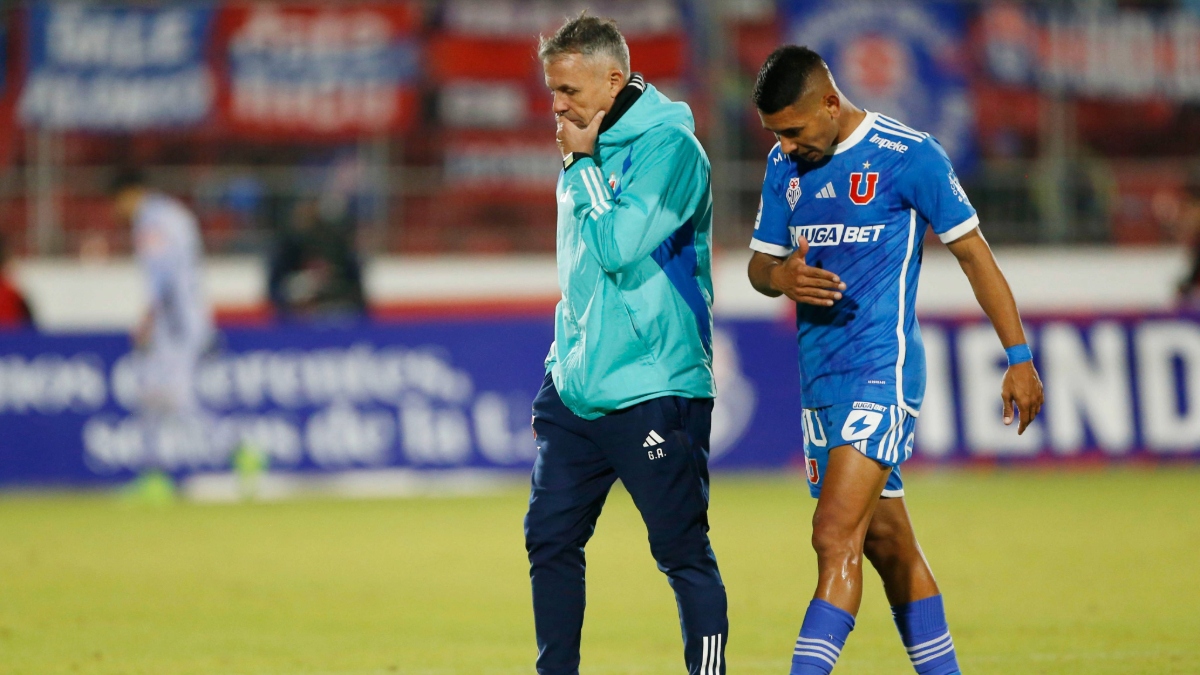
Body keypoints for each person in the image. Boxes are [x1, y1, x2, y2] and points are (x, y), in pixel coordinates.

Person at [745, 47, 1043, 675]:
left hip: (881, 375)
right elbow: (758, 268)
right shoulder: (783, 165)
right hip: (819, 381)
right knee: (887, 544)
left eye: (793, 130)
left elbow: (974, 255)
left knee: (832, 538)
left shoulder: (910, 155)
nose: (785, 145)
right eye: (775, 134)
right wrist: (783, 278)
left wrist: (1017, 357)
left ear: (830, 102)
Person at [525, 14, 728, 675]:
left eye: (569, 91)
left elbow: (615, 246)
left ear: (613, 80)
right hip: (578, 388)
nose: (557, 106)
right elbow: (579, 269)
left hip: (654, 385)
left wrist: (582, 163)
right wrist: (564, 360)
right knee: (549, 539)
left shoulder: (671, 152)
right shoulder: (581, 147)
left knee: (682, 553)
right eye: (552, 91)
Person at [109, 168, 214, 425]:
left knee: (177, 398)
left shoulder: (152, 221)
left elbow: (162, 277)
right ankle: (153, 463)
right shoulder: (170, 213)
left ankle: (235, 447)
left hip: (176, 321)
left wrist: (148, 320)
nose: (117, 209)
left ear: (130, 193)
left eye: (118, 201)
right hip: (184, 314)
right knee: (156, 397)